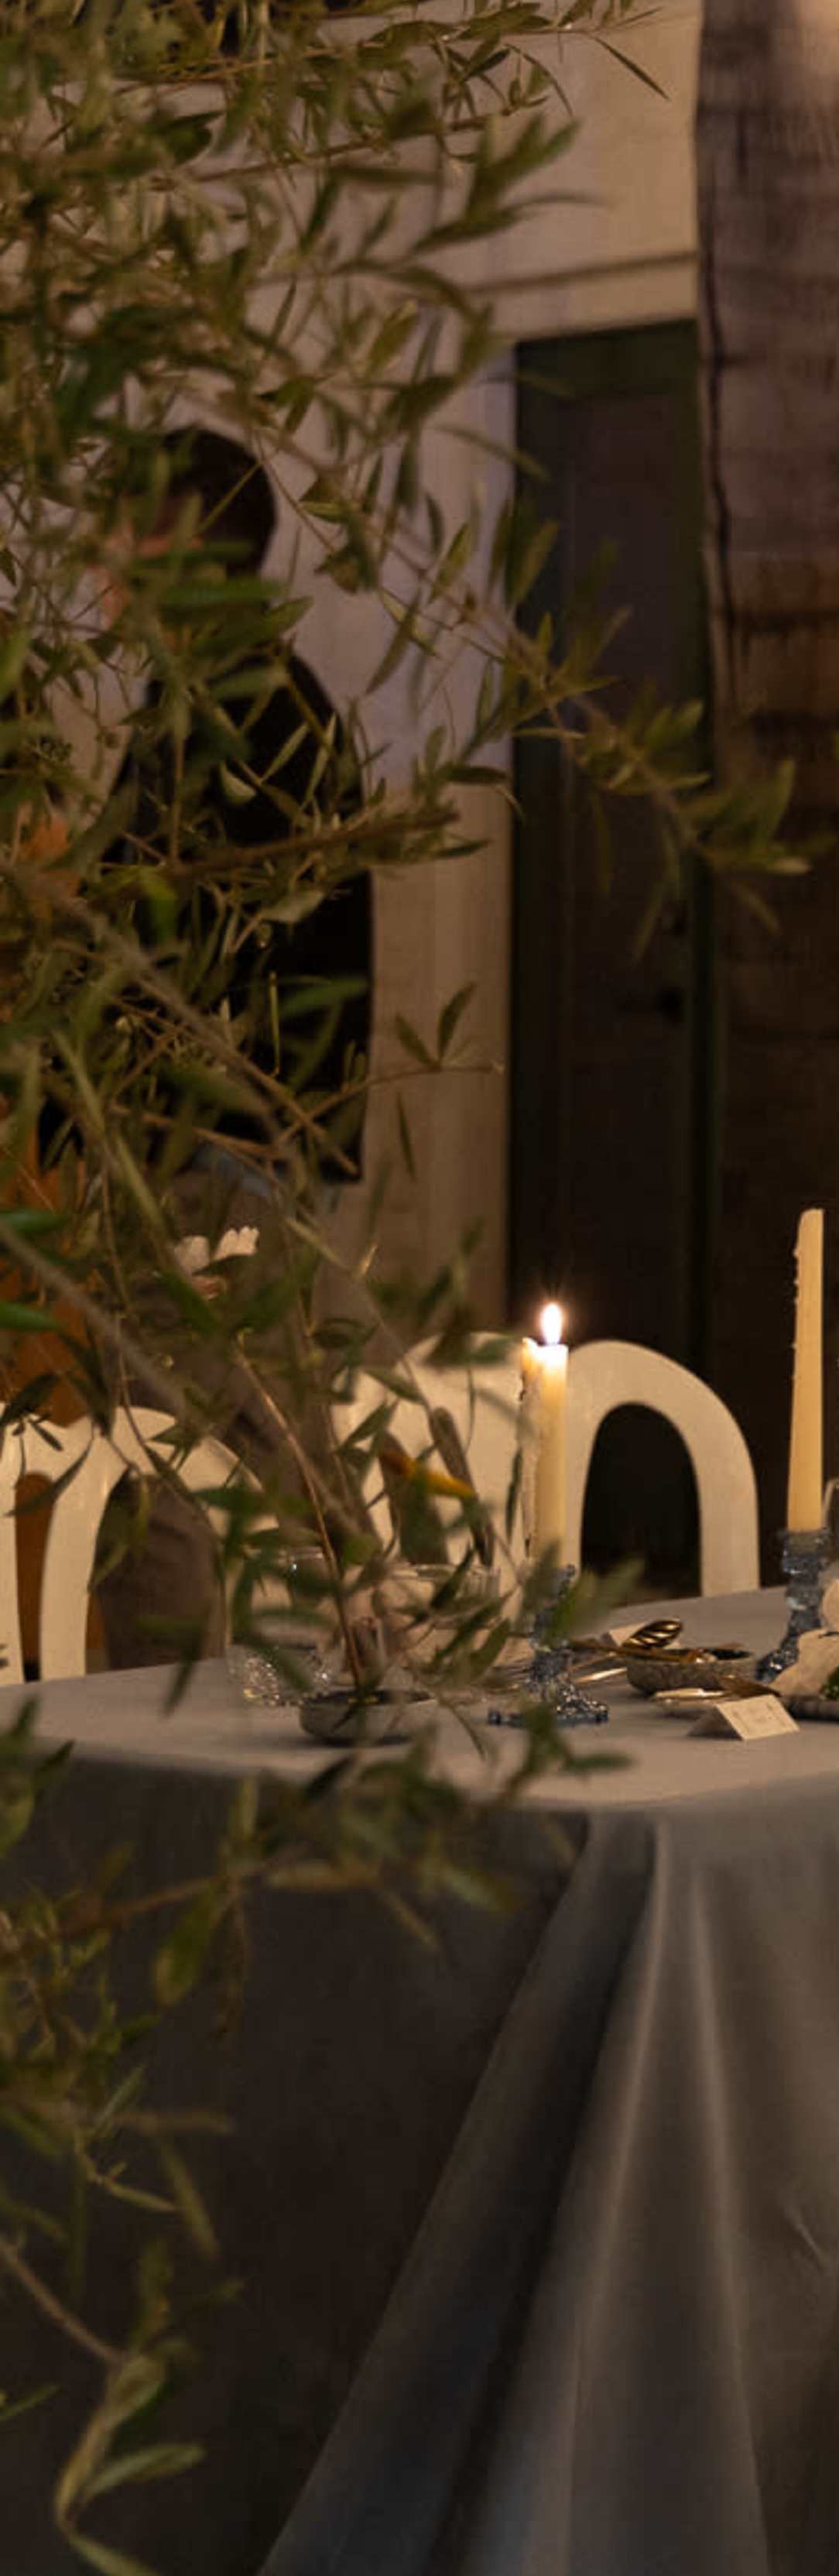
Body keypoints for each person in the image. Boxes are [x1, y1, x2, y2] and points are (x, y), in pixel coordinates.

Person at [77, 427, 375, 1662]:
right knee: (280, 1456)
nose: (95, 561)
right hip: (255, 1153)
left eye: (117, 529)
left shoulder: (226, 711)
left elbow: (155, 946)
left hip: (202, 1157)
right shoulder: (270, 696)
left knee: (159, 1475)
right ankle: (359, 1692)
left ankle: (145, 1753)